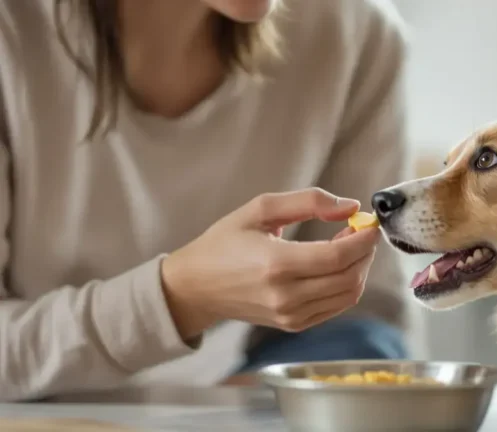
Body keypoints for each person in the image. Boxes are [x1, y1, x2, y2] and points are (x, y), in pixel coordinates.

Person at [0, 0, 408, 401]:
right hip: (33, 404)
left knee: (361, 347)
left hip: (241, 385)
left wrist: (242, 406)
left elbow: (364, 316)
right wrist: (179, 298)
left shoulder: (356, 30)